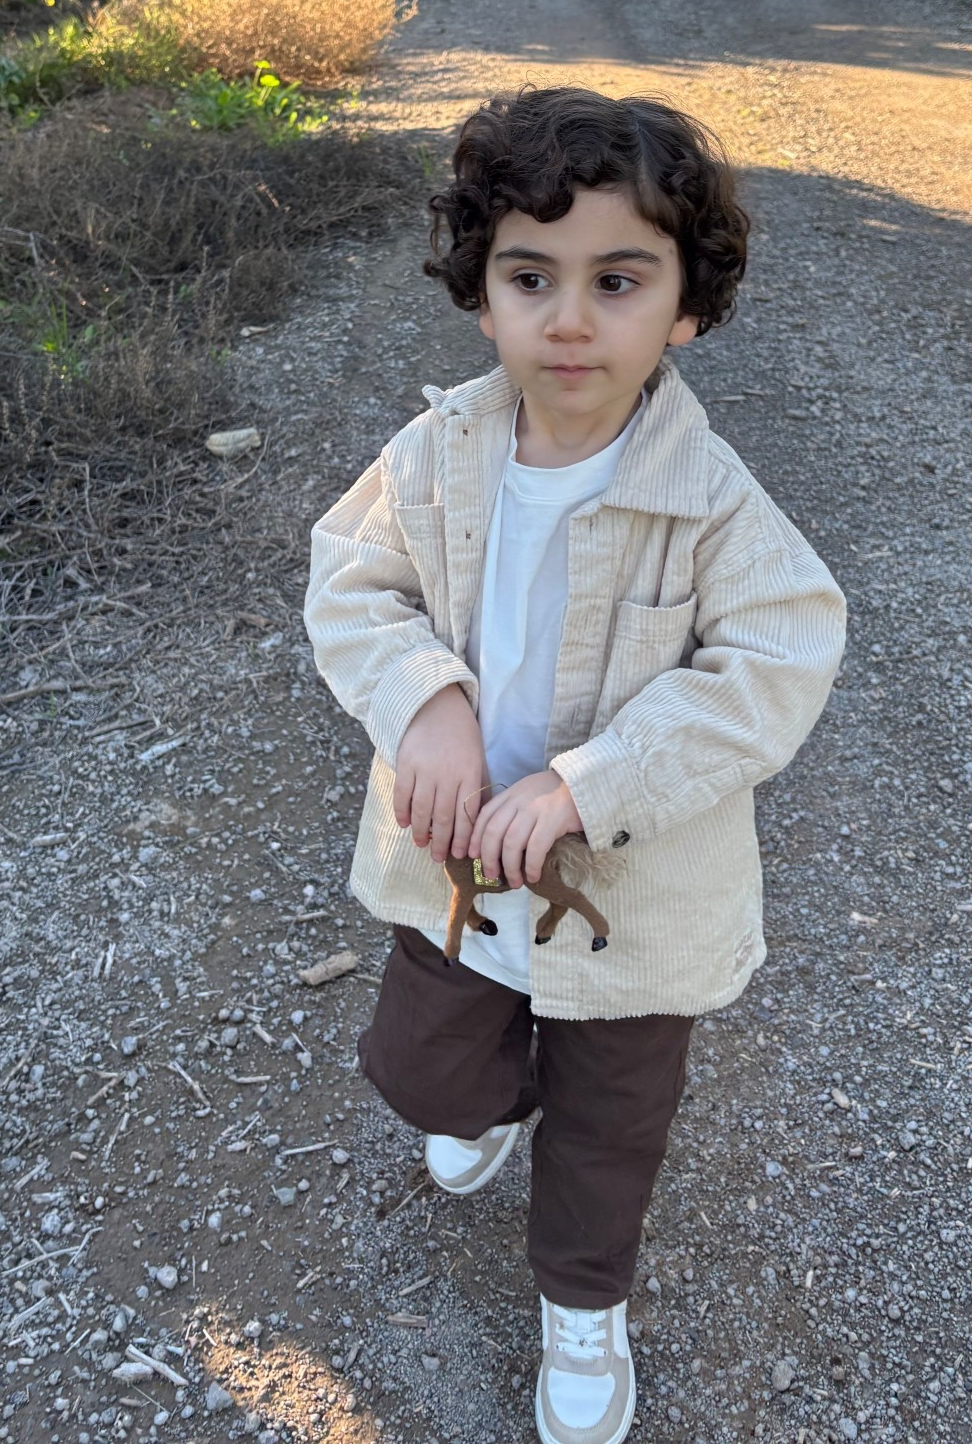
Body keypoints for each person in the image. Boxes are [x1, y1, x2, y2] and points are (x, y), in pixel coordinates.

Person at [304, 85, 846, 1444]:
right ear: (479, 293)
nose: (568, 319)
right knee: (430, 1073)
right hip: (458, 867)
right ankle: (492, 1099)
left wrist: (594, 781)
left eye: (618, 280)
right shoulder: (434, 454)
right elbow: (352, 585)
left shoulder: (713, 499)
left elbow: (778, 658)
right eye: (529, 276)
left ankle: (582, 1309)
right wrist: (423, 699)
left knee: (608, 1135)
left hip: (629, 902)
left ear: (687, 308)